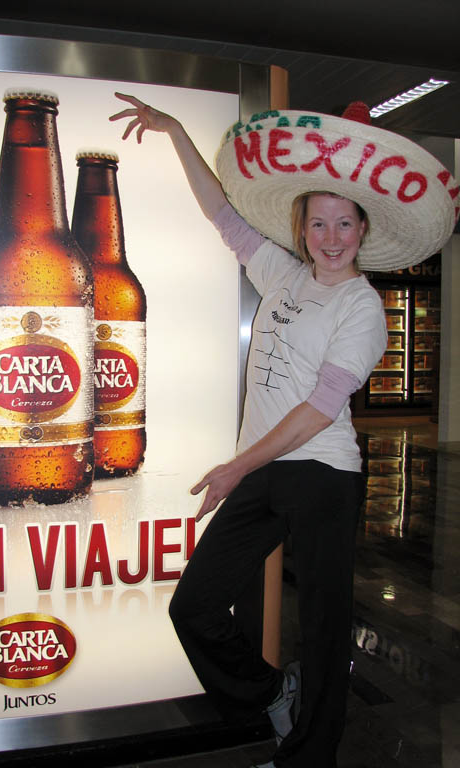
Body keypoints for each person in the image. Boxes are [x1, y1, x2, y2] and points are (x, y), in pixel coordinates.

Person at [109, 93, 458, 768]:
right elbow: (220, 212)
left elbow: (318, 410)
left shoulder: (363, 308)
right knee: (197, 606)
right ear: (302, 229)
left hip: (324, 474)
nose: (331, 237)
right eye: (319, 223)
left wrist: (236, 466)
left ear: (363, 231)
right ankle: (272, 692)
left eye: (344, 224)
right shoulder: (281, 273)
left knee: (325, 629)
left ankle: (307, 758)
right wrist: (177, 131)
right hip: (267, 466)